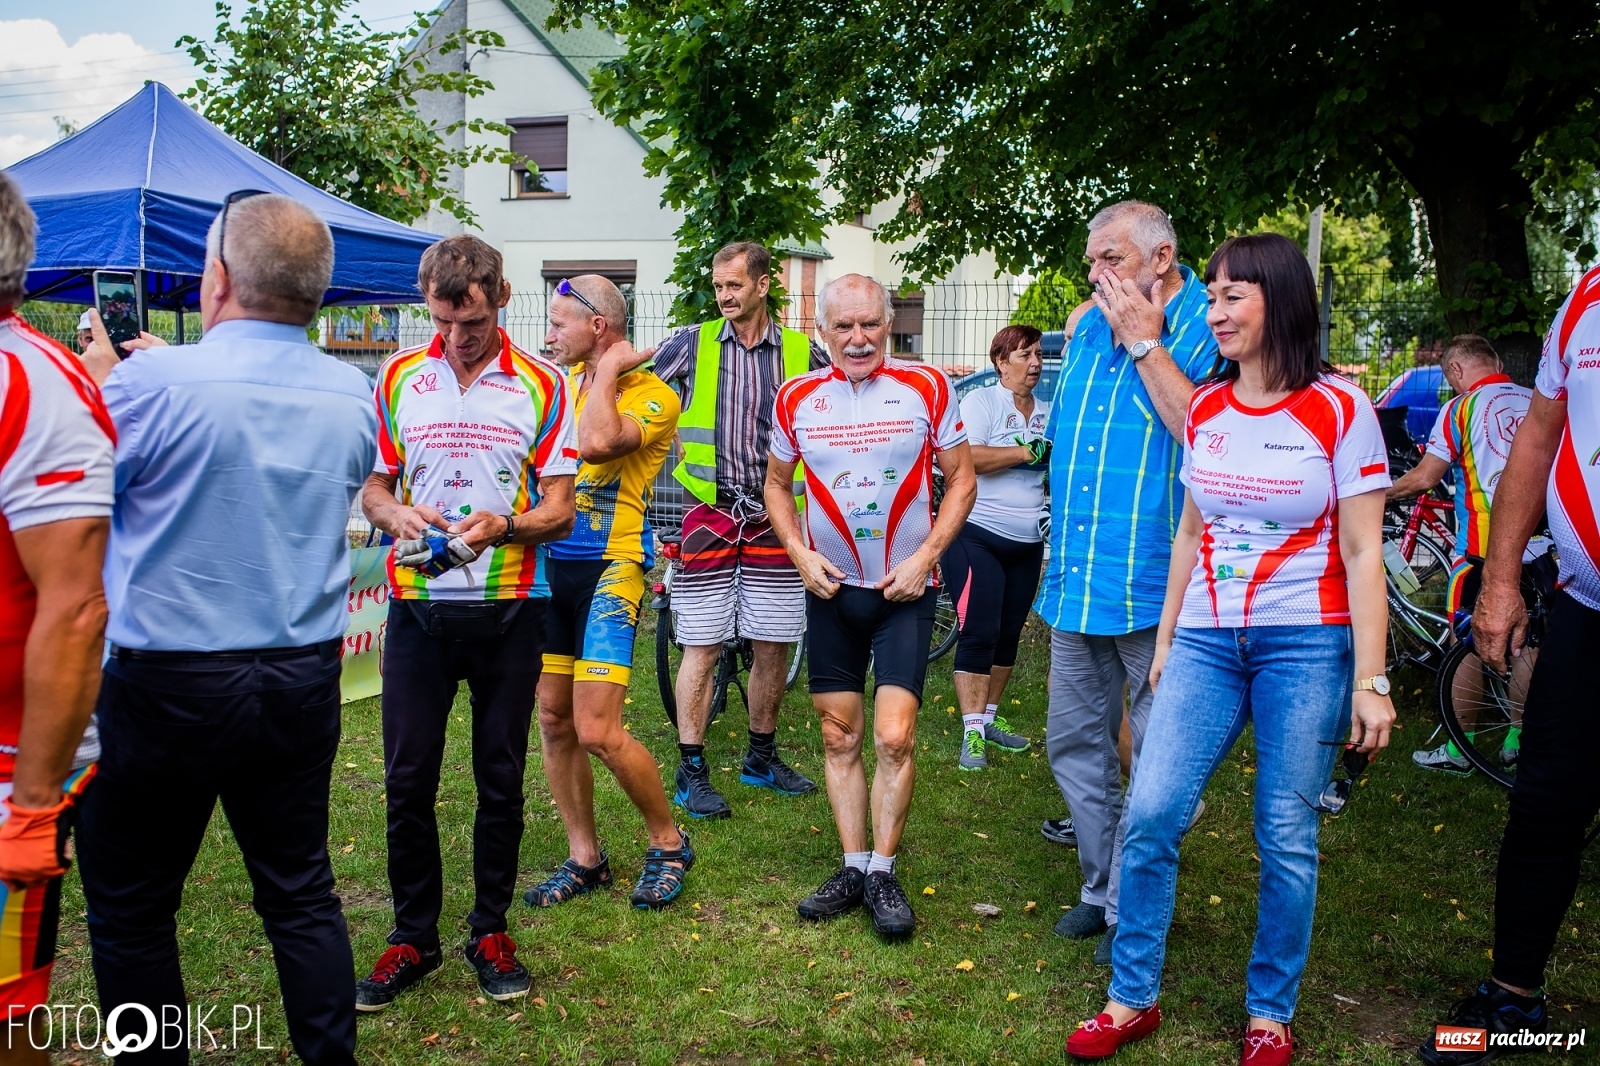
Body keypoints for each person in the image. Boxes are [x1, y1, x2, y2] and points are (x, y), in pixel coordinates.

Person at [1067, 233, 1395, 1064]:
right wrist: (1171, 637)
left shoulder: (1341, 410)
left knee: (1284, 831)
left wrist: (1372, 678)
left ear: (1280, 302)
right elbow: (1189, 531)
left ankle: (1269, 1015)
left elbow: (1363, 553)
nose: (1212, 313)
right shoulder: (1207, 407)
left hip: (1307, 643)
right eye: (1209, 296)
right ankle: (1130, 996)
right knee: (1150, 812)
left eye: (1232, 297)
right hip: (1209, 640)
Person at [73, 193, 375, 1066]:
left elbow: (93, 497)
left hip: (166, 680)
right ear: (315, 294)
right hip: (298, 674)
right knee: (300, 894)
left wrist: (106, 381)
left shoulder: (146, 383)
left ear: (217, 280)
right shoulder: (352, 393)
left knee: (132, 908)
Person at [356, 236, 577, 1011]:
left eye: (472, 323)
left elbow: (561, 508)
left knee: (501, 780)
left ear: (500, 296)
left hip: (510, 610)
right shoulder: (397, 376)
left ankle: (489, 928)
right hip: (418, 609)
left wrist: (508, 526)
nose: (457, 339)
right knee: (407, 779)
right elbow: (374, 488)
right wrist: (394, 512)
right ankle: (412, 935)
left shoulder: (545, 383)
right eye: (444, 322)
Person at [1416, 267, 1600, 1065]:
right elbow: (1540, 436)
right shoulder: (1588, 297)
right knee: (1544, 807)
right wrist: (1497, 581)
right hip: (1585, 613)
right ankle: (1512, 1001)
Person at [1034, 201, 1220, 965]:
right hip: (1077, 580)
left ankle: (1139, 894)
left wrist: (1147, 341)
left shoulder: (1212, 325)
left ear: (1161, 258)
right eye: (1091, 261)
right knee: (1074, 745)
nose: (1094, 274)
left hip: (1158, 585)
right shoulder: (1083, 329)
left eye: (1109, 258)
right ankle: (1100, 884)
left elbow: (1205, 434)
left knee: (1164, 757)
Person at [766, 273, 976, 938]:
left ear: (889, 324)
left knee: (893, 736)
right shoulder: (796, 396)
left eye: (870, 324)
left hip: (902, 592)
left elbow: (963, 479)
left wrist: (924, 559)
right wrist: (799, 553)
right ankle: (853, 865)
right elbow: (776, 484)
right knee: (838, 737)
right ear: (822, 331)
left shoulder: (928, 387)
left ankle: (885, 870)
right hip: (831, 590)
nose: (858, 339)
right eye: (844, 327)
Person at [528, 275, 694, 911]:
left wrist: (608, 374)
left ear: (598, 327)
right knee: (553, 719)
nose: (547, 335)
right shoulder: (558, 388)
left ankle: (670, 842)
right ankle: (584, 857)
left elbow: (598, 442)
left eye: (559, 321)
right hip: (549, 573)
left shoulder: (653, 396)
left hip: (610, 571)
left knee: (597, 728)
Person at [650, 241, 827, 818]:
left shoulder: (804, 351)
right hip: (710, 511)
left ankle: (760, 755)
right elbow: (640, 391)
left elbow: (842, 415)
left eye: (733, 285)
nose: (723, 296)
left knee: (773, 642)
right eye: (717, 286)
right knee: (700, 644)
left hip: (779, 518)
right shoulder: (691, 343)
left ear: (762, 284)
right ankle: (691, 768)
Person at [0, 175, 112, 1063]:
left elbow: (75, 607)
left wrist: (34, 806)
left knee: (6, 1010)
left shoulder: (35, 383)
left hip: (9, 772)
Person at [1385, 335, 1533, 775]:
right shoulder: (1534, 399)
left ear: (1454, 372)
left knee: (1463, 646)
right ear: (1497, 362)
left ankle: (1459, 750)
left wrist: (1380, 495)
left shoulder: (1461, 409)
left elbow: (1426, 477)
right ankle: (1517, 740)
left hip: (1484, 552)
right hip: (1541, 548)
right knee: (1529, 643)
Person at [942, 324, 1048, 771]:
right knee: (980, 630)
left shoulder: (1047, 409)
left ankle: (988, 720)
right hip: (977, 534)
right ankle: (971, 735)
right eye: (1024, 355)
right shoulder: (980, 401)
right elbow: (967, 459)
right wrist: (1024, 453)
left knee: (1008, 635)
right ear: (1001, 363)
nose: (1035, 363)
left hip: (1027, 542)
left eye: (1039, 354)